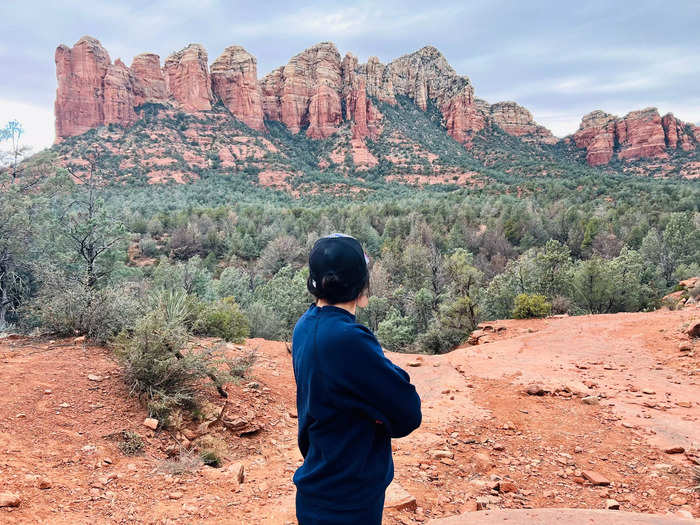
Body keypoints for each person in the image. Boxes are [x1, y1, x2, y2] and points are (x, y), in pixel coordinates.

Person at [292, 233, 422, 525]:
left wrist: (370, 409)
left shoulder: (305, 325)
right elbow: (408, 411)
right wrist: (375, 412)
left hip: (322, 483)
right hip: (348, 499)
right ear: (362, 288)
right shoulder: (348, 339)